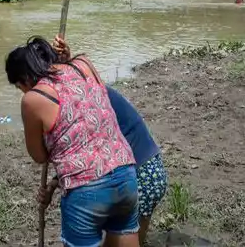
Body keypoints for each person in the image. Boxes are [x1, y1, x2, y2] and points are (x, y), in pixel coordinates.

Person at [6, 36, 140, 247]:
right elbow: (91, 102)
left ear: (24, 79)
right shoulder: (83, 64)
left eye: (19, 86)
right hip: (126, 174)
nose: (22, 91)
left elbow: (39, 156)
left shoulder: (33, 99)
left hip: (85, 190)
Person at [52, 38, 168, 245]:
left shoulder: (81, 103)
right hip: (151, 172)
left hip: (139, 176)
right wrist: (53, 184)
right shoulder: (92, 91)